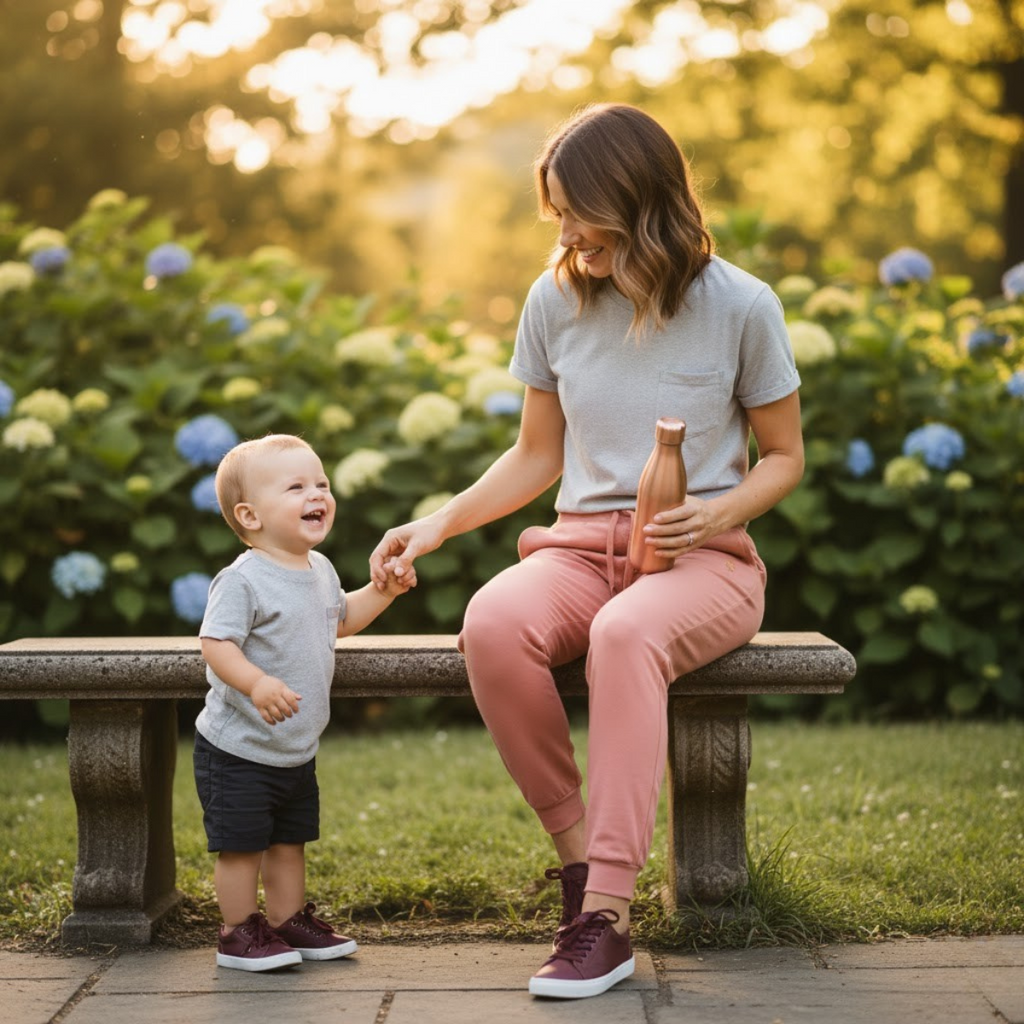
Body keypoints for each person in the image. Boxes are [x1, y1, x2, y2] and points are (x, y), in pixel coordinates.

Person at [370, 102, 804, 1000]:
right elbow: (537, 455)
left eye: (578, 211)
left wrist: (719, 515)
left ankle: (603, 920)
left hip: (702, 566)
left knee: (624, 636)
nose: (565, 233)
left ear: (640, 199)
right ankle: (585, 878)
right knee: (491, 620)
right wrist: (439, 522)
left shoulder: (742, 306)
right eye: (557, 213)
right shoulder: (555, 298)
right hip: (578, 549)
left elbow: (786, 459)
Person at [194, 434, 416, 972]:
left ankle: (286, 921)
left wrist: (382, 591)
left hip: (293, 747)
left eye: (322, 483)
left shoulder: (320, 570)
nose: (316, 493)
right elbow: (215, 643)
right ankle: (238, 932)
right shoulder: (243, 579)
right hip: (239, 747)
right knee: (242, 847)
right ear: (249, 515)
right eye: (296, 486)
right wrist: (255, 683)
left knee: (289, 843)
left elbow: (340, 620)